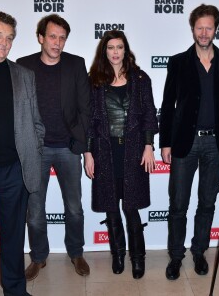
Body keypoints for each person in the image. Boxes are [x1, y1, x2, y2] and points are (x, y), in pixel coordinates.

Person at [159, 4, 219, 280]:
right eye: (199, 27)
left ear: (216, 28)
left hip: (216, 145)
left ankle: (198, 252)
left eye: (209, 27)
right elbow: (168, 104)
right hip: (185, 143)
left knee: (207, 203)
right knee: (178, 203)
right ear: (192, 28)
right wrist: (166, 142)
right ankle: (176, 256)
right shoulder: (179, 61)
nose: (204, 33)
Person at [0, 11, 45, 296]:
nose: (4, 43)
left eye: (10, 38)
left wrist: (34, 154)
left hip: (15, 171)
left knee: (14, 238)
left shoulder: (24, 75)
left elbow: (36, 122)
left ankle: (15, 290)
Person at [16, 14, 91, 280]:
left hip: (68, 149)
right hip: (35, 151)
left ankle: (76, 252)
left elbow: (85, 109)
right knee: (34, 210)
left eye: (62, 38)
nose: (57, 42)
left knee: (74, 207)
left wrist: (85, 149)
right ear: (40, 37)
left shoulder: (76, 64)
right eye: (52, 36)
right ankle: (38, 257)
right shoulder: (22, 66)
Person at [85, 30, 158, 279]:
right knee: (111, 208)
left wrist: (149, 146)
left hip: (134, 152)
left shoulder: (140, 78)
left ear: (126, 50)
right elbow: (89, 122)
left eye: (119, 47)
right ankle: (118, 254)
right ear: (104, 51)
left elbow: (149, 114)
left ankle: (138, 258)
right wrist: (88, 153)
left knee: (132, 208)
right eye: (110, 48)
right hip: (105, 152)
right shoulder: (94, 80)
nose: (115, 52)